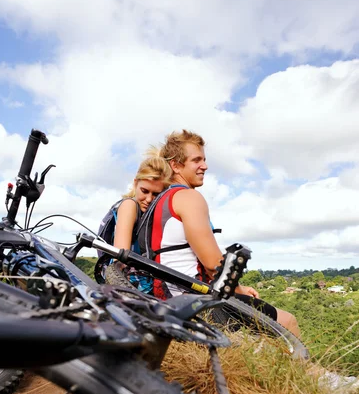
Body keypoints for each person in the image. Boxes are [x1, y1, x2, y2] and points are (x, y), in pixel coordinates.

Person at [139, 129, 301, 338]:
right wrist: (240, 290)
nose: (204, 166)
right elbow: (212, 263)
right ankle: (309, 371)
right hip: (195, 304)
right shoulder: (188, 198)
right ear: (176, 165)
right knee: (288, 321)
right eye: (196, 160)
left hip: (168, 298)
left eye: (204, 160)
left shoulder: (159, 201)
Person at [113, 149, 172, 251]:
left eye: (156, 194)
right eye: (144, 191)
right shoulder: (129, 206)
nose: (149, 199)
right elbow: (119, 259)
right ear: (135, 183)